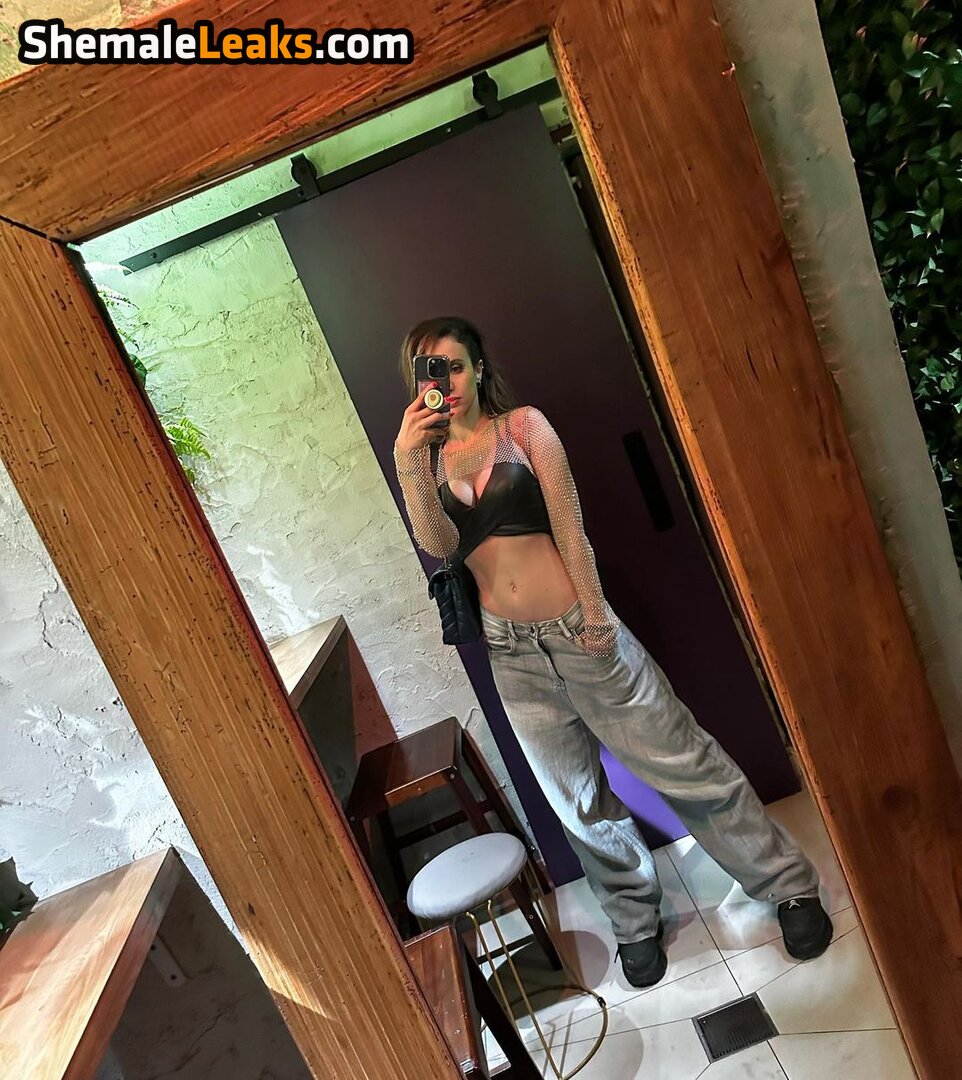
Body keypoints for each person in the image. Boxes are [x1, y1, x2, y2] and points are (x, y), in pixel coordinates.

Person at [393, 315, 833, 987]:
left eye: (455, 366)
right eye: (430, 371)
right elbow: (441, 546)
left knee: (684, 764)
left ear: (478, 369)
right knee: (578, 802)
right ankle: (635, 922)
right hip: (512, 655)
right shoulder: (427, 462)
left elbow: (570, 527)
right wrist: (406, 459)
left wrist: (596, 620)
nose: (445, 382)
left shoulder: (524, 428)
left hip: (580, 629)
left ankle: (788, 885)